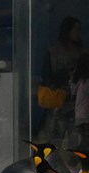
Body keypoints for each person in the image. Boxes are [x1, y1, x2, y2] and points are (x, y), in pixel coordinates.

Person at [39, 17, 86, 147]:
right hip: (58, 101)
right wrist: (64, 75)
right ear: (68, 30)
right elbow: (46, 77)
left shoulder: (82, 52)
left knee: (76, 138)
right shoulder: (53, 52)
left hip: (77, 102)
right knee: (55, 137)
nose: (78, 33)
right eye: (76, 30)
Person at [70, 53, 89, 150]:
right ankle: (73, 161)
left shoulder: (77, 79)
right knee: (85, 143)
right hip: (86, 117)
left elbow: (73, 92)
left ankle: (73, 160)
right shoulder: (86, 82)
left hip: (80, 116)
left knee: (84, 141)